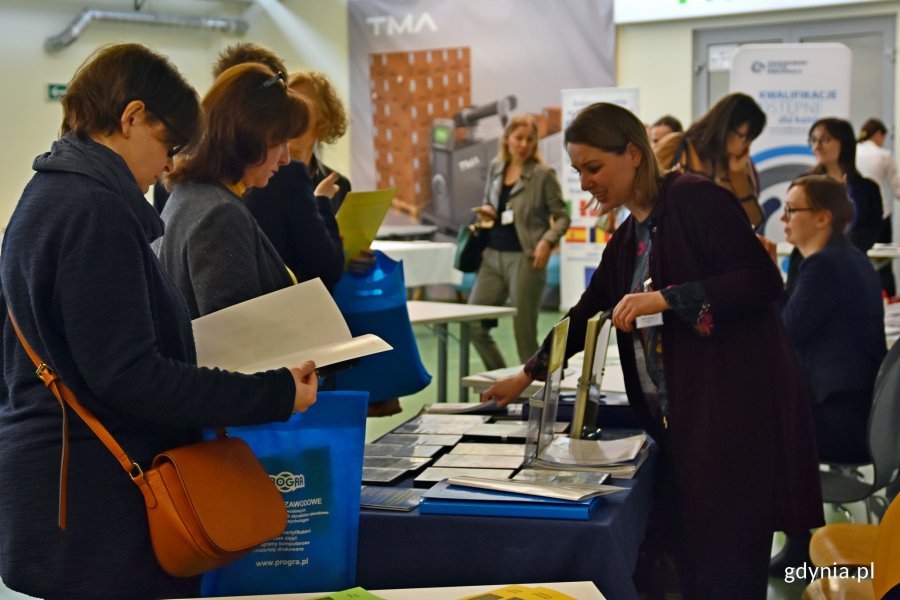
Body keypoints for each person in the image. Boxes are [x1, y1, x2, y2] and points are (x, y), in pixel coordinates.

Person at [0, 44, 317, 600]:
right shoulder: (92, 208)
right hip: (102, 506)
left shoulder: (47, 194)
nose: (169, 165)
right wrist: (272, 394)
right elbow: (131, 375)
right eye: (167, 145)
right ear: (131, 117)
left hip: (68, 488)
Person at [482, 102, 823, 599]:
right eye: (578, 171)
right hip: (686, 421)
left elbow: (760, 280)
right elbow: (586, 312)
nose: (586, 182)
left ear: (635, 155)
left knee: (727, 567)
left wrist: (666, 297)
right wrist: (528, 374)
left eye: (594, 168)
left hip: (735, 419)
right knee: (689, 562)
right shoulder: (629, 235)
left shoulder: (695, 200)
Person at [770, 175, 887, 573]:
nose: (783, 219)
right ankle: (798, 541)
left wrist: (767, 275)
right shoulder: (846, 258)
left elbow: (784, 333)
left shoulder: (824, 267)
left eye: (792, 210)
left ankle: (795, 544)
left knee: (756, 428)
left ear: (822, 217)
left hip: (844, 422)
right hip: (858, 415)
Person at [155, 63, 308, 318]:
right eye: (280, 142)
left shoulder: (190, 194)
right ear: (249, 136)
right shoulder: (220, 214)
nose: (286, 158)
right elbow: (237, 342)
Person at [468, 113, 570, 370]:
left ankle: (535, 394)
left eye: (529, 140)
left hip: (526, 259)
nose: (523, 144)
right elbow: (488, 202)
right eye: (518, 138)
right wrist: (487, 211)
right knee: (473, 324)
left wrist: (546, 242)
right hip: (492, 256)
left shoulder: (542, 175)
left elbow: (562, 217)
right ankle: (503, 379)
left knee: (524, 336)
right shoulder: (495, 167)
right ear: (507, 139)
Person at [152, 41, 293, 214]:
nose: (285, 158)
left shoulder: (192, 189)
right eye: (279, 140)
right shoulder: (220, 210)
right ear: (248, 130)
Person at [243, 69, 351, 291]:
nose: (290, 108)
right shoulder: (262, 177)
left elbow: (333, 257)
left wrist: (352, 256)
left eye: (300, 102)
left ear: (323, 118)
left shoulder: (338, 183)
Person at [653, 92, 767, 229]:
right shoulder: (677, 146)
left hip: (717, 246)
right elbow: (645, 193)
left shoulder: (739, 163)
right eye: (744, 137)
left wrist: (737, 175)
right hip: (674, 242)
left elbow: (755, 221)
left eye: (751, 139)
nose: (747, 145)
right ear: (726, 126)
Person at [808, 117, 883, 254]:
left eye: (825, 139)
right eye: (813, 140)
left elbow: (871, 230)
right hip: (813, 261)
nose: (817, 146)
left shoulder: (867, 189)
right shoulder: (805, 185)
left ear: (844, 143)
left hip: (852, 262)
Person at [856, 117, 899, 295]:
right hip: (880, 214)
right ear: (879, 134)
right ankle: (888, 299)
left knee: (857, 260)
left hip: (854, 216)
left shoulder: (852, 152)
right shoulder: (884, 155)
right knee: (884, 264)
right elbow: (897, 189)